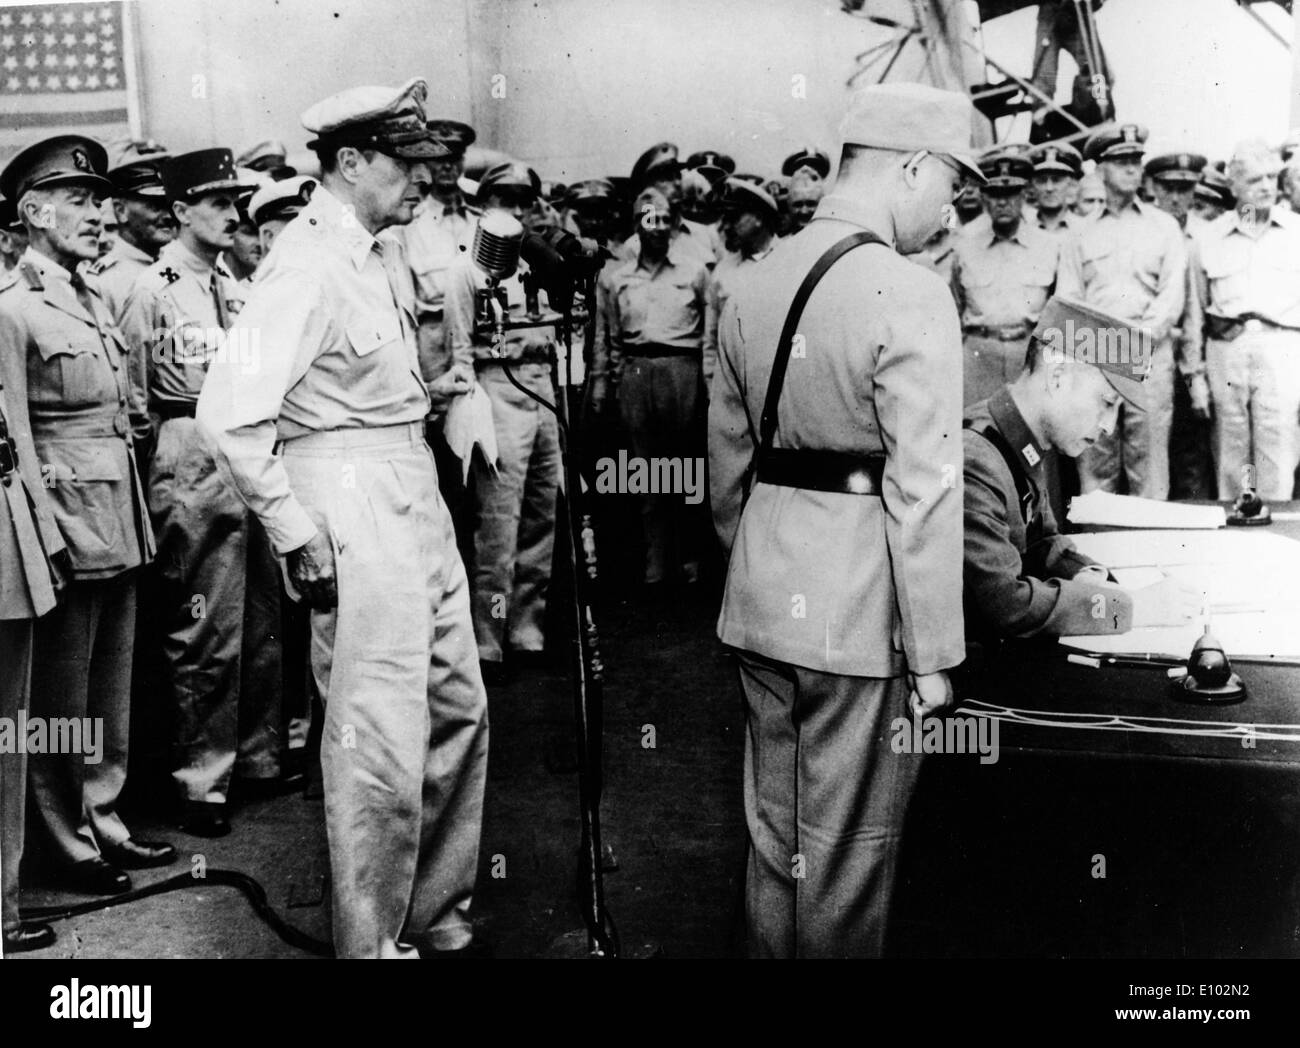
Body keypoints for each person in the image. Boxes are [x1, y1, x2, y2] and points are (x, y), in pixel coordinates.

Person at [197, 77, 488, 959]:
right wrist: (295, 529)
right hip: (351, 493)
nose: (420, 180)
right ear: (350, 161)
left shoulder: (374, 252)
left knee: (454, 710)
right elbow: (227, 413)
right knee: (377, 739)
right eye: (403, 162)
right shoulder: (307, 263)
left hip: (408, 482)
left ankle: (434, 912)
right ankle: (370, 942)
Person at [709, 82, 981, 958]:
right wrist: (935, 653)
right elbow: (925, 488)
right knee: (848, 854)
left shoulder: (746, 284)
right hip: (860, 612)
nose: (948, 212)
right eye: (948, 185)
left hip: (761, 595)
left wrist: (754, 568)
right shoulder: (910, 292)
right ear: (910, 166)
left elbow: (725, 475)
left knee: (772, 836)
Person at [0, 135, 171, 896]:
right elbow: (19, 438)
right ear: (33, 213)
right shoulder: (12, 309)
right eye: (80, 201)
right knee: (61, 701)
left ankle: (105, 820)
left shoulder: (93, 297)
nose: (101, 216)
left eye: (102, 202)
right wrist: (42, 533)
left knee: (109, 689)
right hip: (66, 522)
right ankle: (66, 845)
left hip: (117, 515)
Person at [119, 148, 284, 838]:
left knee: (262, 616)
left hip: (245, 445)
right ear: (180, 210)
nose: (232, 213)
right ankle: (201, 780)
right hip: (188, 446)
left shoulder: (237, 282)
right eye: (216, 202)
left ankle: (258, 757)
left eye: (234, 202)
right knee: (204, 628)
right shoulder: (150, 289)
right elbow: (133, 397)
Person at [963, 296, 1199, 645]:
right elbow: (1007, 604)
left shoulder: (1018, 437)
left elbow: (1040, 543)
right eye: (1106, 403)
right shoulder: (977, 458)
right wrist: (1130, 607)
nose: (1108, 426)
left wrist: (1090, 576)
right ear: (1057, 377)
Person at [442, 162, 561, 677]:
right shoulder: (467, 268)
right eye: (505, 198)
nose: (516, 209)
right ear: (483, 202)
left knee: (543, 509)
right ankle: (489, 638)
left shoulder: (539, 261)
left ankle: (526, 627)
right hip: (497, 386)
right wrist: (468, 414)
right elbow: (459, 351)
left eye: (525, 200)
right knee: (498, 520)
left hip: (542, 387)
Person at [1057, 124, 1186, 500]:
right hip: (1095, 364)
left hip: (1148, 362)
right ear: (1099, 170)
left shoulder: (1164, 228)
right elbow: (1069, 302)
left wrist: (1131, 347)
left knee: (1150, 471)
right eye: (1120, 162)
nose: (1132, 169)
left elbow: (1170, 301)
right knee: (1096, 474)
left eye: (1135, 161)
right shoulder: (1078, 234)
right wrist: (1106, 352)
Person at [593, 186, 711, 590]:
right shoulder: (616, 278)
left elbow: (709, 333)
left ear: (674, 225)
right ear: (637, 227)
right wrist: (605, 384)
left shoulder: (695, 271)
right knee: (645, 471)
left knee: (687, 466)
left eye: (663, 219)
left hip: (683, 369)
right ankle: (656, 564)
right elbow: (607, 339)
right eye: (648, 219)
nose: (656, 227)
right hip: (637, 370)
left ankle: (691, 560)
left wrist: (708, 381)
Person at [0, 347, 66, 951]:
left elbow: (15, 431)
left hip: (6, 531)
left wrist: (42, 535)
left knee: (8, 736)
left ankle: (3, 908)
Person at [1190, 138, 1300, 501]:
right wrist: (1195, 376)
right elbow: (1196, 312)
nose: (1267, 187)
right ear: (1234, 186)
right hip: (1227, 349)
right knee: (1230, 451)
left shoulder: (1295, 233)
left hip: (1282, 349)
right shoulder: (1209, 239)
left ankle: (1279, 541)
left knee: (1279, 448)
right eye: (1255, 180)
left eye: (1271, 177)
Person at [950, 153, 1064, 406]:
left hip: (1027, 356)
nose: (1003, 203)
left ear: (1024, 196)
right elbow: (953, 307)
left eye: (1011, 194)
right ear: (983, 197)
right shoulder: (964, 247)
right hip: (978, 355)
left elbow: (1059, 310)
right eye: (994, 195)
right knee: (976, 431)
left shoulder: (1049, 246)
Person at [1145, 152, 1214, 501]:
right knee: (1148, 457)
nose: (1175, 197)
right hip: (1152, 354)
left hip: (1193, 360)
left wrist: (1195, 370)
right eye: (1168, 187)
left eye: (1184, 188)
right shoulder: (1144, 231)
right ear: (1153, 187)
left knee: (1191, 457)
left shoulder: (1204, 236)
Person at [387, 118, 477, 377]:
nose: (448, 165)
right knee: (441, 411)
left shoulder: (480, 221)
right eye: (439, 157)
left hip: (483, 335)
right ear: (425, 162)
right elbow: (405, 303)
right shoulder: (407, 225)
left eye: (455, 156)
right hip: (434, 341)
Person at [87, 140, 175, 323]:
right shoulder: (102, 283)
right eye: (155, 206)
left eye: (169, 205)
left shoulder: (174, 268)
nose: (168, 215)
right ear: (120, 211)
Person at [704, 178, 780, 388]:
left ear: (759, 217)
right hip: (732, 385)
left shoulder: (790, 261)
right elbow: (711, 337)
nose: (726, 226)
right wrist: (711, 385)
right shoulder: (723, 271)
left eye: (734, 217)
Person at [1028, 142, 1083, 238]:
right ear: (1032, 187)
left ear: (1070, 185)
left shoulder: (1085, 229)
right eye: (1042, 181)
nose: (1049, 188)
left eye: (1057, 180)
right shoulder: (1025, 232)